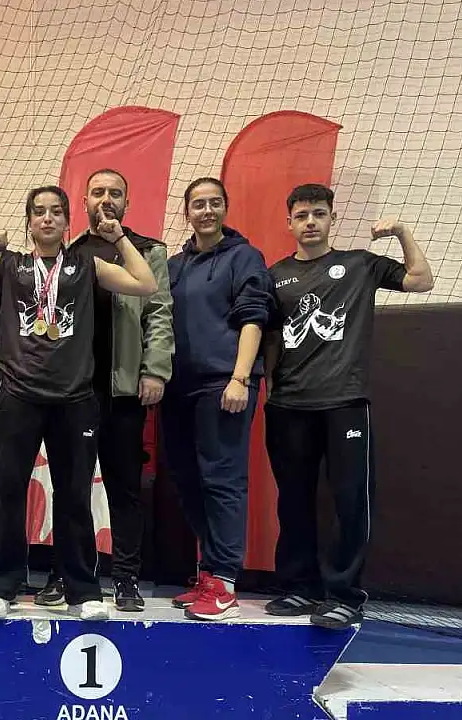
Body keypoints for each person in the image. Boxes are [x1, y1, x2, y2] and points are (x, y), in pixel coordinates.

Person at [0, 185, 158, 621]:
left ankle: (83, 590)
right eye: (39, 212)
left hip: (75, 398)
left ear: (68, 220)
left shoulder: (87, 265)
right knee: (9, 492)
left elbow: (145, 283)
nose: (48, 218)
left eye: (56, 212)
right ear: (29, 221)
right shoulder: (8, 264)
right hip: (18, 394)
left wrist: (118, 238)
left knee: (74, 497)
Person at [263, 183, 433, 629]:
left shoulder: (359, 264)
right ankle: (299, 588)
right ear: (289, 223)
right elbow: (270, 338)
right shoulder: (274, 275)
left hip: (344, 403)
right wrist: (267, 385)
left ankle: (344, 596)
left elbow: (421, 280)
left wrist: (401, 231)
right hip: (288, 405)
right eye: (302, 216)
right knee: (293, 501)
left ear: (332, 219)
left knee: (351, 501)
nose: (311, 222)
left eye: (319, 214)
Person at [39, 169, 173, 612]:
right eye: (98, 192)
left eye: (116, 192)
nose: (106, 199)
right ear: (85, 202)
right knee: (70, 487)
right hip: (75, 392)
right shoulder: (69, 253)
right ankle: (65, 574)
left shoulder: (148, 251)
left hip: (124, 391)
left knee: (125, 488)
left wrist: (155, 371)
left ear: (127, 203)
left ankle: (127, 578)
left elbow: (159, 312)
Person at [161, 178, 274, 621]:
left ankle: (225, 583)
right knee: (188, 479)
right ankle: (208, 573)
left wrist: (240, 378)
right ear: (187, 211)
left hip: (224, 385)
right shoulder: (174, 266)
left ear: (225, 208)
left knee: (221, 481)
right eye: (198, 204)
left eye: (214, 203)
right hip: (178, 388)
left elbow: (254, 318)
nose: (206, 211)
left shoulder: (244, 257)